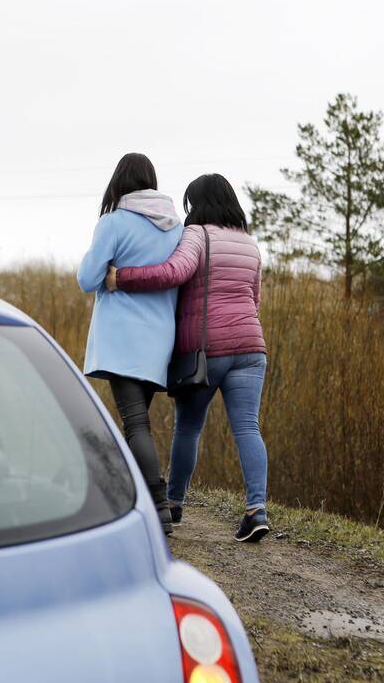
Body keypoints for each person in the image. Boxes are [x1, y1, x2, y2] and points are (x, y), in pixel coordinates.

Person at [107, 173, 270, 542]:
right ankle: (256, 509)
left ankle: (175, 502)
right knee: (248, 428)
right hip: (250, 347)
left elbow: (174, 272)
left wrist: (124, 278)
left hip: (205, 350)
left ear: (196, 204)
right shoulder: (250, 244)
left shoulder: (197, 235)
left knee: (189, 428)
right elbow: (254, 300)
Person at [77, 152, 182, 535]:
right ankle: (123, 499)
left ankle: (157, 506)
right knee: (133, 423)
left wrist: (101, 265)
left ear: (120, 181)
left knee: (136, 423)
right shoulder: (175, 226)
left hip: (122, 339)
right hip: (159, 342)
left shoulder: (113, 222)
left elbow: (88, 279)